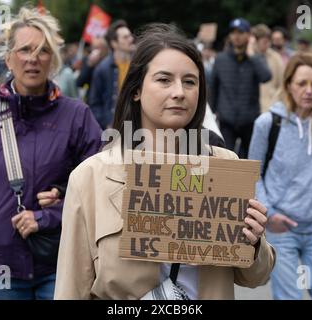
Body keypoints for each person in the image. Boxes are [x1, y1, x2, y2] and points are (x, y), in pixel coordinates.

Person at [54, 23, 275, 300]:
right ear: (136, 90)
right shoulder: (90, 177)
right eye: (164, 80)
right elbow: (72, 287)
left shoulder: (225, 166)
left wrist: (254, 242)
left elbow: (257, 276)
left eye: (190, 82)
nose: (179, 92)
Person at [0, 7, 102, 300]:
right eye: (24, 50)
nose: (33, 58)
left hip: (61, 262)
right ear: (8, 58)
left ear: (54, 60)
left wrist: (54, 207)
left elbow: (98, 184)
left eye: (43, 50)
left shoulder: (77, 116)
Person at [249, 53, 312, 300]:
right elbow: (253, 174)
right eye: (302, 83)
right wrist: (269, 214)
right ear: (289, 84)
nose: (309, 91)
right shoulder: (267, 123)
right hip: (282, 230)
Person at [209, 18, 271, 159]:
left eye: (241, 32)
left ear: (249, 35)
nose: (236, 36)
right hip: (226, 120)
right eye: (233, 32)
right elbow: (214, 88)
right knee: (225, 159)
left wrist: (252, 54)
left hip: (250, 119)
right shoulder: (221, 59)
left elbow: (266, 76)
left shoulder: (255, 58)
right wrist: (213, 114)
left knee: (251, 159)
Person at [89, 20, 135, 129]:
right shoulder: (102, 69)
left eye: (130, 36)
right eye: (125, 37)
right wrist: (107, 124)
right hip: (113, 130)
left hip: (137, 128)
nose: (131, 39)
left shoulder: (138, 65)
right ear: (114, 43)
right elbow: (94, 103)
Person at [250, 24, 285, 113]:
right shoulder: (248, 58)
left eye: (269, 41)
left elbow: (282, 84)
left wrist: (275, 100)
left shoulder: (276, 57)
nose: (267, 45)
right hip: (251, 108)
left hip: (271, 106)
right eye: (264, 42)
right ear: (255, 41)